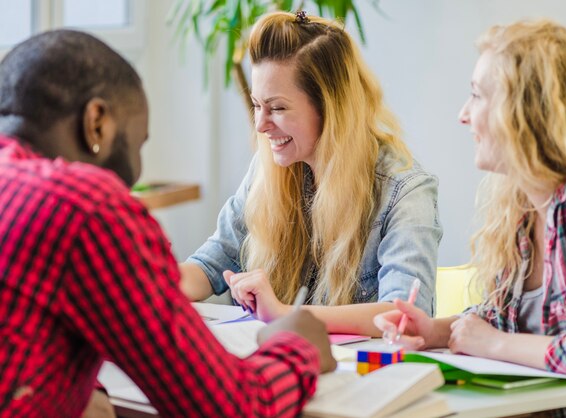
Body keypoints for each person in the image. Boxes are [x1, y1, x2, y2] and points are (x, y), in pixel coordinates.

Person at [0, 29, 336, 418]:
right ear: (97, 123)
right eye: (139, 142)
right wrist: (297, 347)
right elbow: (231, 407)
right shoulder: (85, 206)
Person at [375, 20, 566, 417]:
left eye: (476, 95)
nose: (463, 115)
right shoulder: (519, 204)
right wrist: (434, 331)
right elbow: (497, 318)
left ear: (525, 111)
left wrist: (493, 344)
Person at [180, 11, 442, 336]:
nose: (261, 125)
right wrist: (152, 282)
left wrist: (287, 314)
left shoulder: (405, 190)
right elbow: (211, 263)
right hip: (286, 367)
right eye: (256, 105)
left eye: (277, 108)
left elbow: (406, 317)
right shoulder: (269, 169)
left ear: (330, 108)